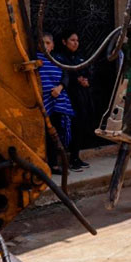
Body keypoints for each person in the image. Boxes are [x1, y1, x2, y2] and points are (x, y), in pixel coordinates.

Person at [57, 29, 96, 171]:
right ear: (64, 41)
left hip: (82, 98)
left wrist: (86, 81)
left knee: (80, 126)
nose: (75, 43)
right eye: (72, 40)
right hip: (67, 98)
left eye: (77, 40)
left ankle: (75, 157)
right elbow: (64, 75)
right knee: (69, 127)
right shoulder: (59, 58)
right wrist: (75, 79)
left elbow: (88, 72)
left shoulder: (80, 57)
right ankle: (68, 160)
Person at [38, 33, 75, 174]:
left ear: (52, 45)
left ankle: (54, 164)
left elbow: (65, 76)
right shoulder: (34, 59)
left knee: (55, 133)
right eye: (43, 43)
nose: (45, 45)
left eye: (48, 43)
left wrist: (59, 88)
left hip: (57, 102)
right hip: (40, 102)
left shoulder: (58, 60)